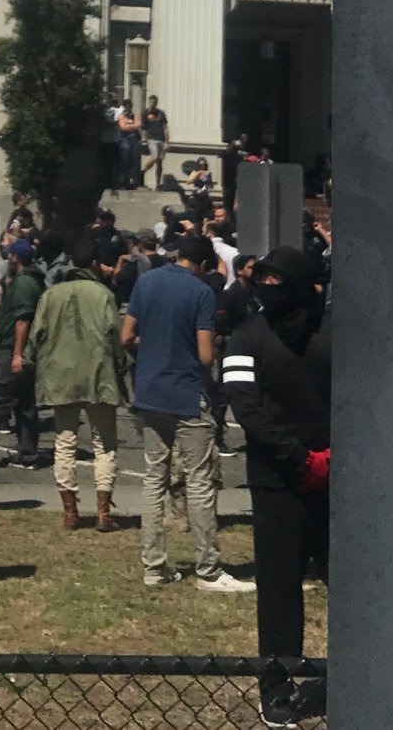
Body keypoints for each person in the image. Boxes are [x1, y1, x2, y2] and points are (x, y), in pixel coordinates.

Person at [229, 247, 330, 729]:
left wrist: (328, 459)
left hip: (332, 478)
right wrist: (303, 458)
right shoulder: (246, 338)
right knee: (278, 590)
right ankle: (277, 687)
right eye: (262, 278)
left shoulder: (333, 335)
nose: (268, 287)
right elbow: (246, 409)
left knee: (351, 584)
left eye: (278, 278)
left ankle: (355, 669)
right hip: (277, 482)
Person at [125, 235, 247, 591]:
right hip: (187, 391)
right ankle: (208, 567)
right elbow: (206, 355)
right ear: (205, 265)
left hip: (150, 389)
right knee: (199, 479)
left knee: (154, 476)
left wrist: (152, 352)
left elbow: (126, 335)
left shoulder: (146, 282)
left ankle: (153, 564)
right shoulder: (200, 293)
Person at [30, 235, 128, 532]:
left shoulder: (51, 295)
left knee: (64, 441)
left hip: (60, 375)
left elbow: (37, 336)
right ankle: (102, 513)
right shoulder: (103, 295)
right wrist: (121, 366)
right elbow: (115, 337)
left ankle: (70, 512)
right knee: (104, 444)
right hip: (98, 374)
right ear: (95, 262)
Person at [0, 240, 44, 468]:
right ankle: (27, 452)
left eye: (10, 256)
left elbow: (23, 320)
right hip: (12, 345)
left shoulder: (24, 283)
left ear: (15, 257)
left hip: (12, 350)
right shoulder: (26, 280)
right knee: (25, 403)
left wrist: (17, 353)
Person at [140, 98, 171, 191]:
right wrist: (144, 140)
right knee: (155, 156)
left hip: (161, 139)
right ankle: (142, 171)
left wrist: (167, 141)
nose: (152, 104)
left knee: (159, 163)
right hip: (151, 138)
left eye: (154, 102)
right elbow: (144, 128)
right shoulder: (146, 113)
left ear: (156, 103)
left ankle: (157, 184)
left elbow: (165, 127)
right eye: (151, 102)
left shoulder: (161, 113)